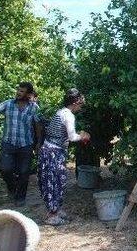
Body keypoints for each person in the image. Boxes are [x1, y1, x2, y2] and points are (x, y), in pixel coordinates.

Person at [0, 82, 43, 207]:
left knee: (24, 172)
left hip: (26, 144)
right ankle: (12, 188)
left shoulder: (34, 107)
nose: (18, 92)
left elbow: (38, 125)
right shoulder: (8, 103)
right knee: (5, 169)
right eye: (18, 90)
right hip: (8, 143)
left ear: (28, 94)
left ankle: (20, 197)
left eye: (21, 91)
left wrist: (38, 142)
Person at [37, 88, 90, 226]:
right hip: (53, 153)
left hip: (49, 151)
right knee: (54, 183)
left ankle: (56, 210)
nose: (81, 107)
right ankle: (51, 215)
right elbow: (72, 137)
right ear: (75, 102)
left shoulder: (61, 112)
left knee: (55, 182)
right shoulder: (69, 115)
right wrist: (83, 136)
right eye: (80, 104)